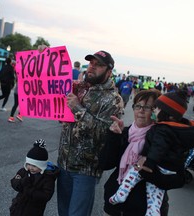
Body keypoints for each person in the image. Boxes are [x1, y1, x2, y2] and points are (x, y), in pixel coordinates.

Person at [101, 90, 194, 216]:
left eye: (148, 107)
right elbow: (105, 164)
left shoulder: (167, 140)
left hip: (144, 209)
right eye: (138, 105)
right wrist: (113, 137)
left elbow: (179, 180)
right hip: (114, 208)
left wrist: (145, 171)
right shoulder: (125, 132)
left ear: (159, 112)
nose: (141, 111)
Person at [57, 50, 123, 216]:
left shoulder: (113, 99)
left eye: (98, 65)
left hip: (85, 170)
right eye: (91, 63)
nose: (92, 67)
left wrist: (77, 109)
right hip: (64, 163)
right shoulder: (79, 88)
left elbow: (104, 134)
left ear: (109, 72)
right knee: (63, 213)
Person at [9, 139, 59, 216]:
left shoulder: (48, 178)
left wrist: (29, 190)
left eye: (35, 166)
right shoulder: (24, 171)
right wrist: (22, 182)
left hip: (34, 211)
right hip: (18, 208)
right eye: (28, 164)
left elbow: (46, 196)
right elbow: (13, 181)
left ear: (42, 166)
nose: (31, 168)